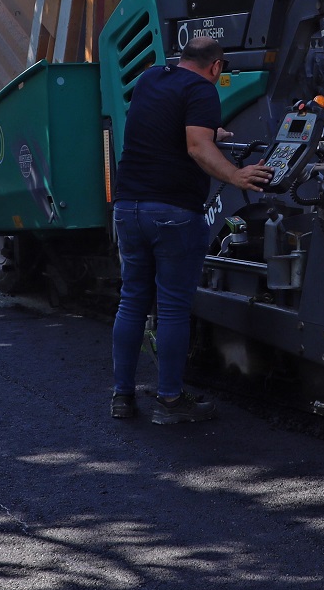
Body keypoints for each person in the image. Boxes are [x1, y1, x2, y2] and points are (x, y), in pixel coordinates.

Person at [110, 35, 272, 424]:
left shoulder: (151, 78)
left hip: (128, 207)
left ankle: (122, 397)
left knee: (131, 300)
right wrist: (236, 174)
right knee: (172, 309)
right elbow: (196, 148)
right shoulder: (203, 89)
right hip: (172, 212)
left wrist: (214, 135)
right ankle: (169, 400)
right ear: (216, 67)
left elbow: (165, 125)